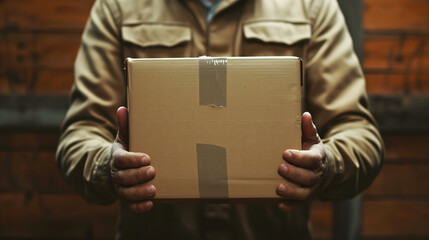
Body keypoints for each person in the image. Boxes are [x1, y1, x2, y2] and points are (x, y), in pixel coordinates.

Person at [56, 0, 384, 239]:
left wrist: (328, 163)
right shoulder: (118, 8)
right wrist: (106, 166)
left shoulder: (311, 7)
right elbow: (80, 134)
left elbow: (359, 135)